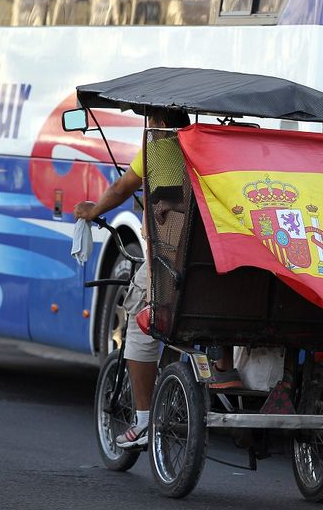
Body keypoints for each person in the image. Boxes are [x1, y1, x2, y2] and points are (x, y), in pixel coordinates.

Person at [74, 108, 240, 449]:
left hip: (172, 261)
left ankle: (145, 419)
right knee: (226, 296)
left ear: (160, 124)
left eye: (149, 120)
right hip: (223, 261)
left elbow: (122, 187)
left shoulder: (161, 148)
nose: (148, 126)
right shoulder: (220, 150)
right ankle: (225, 363)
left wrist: (92, 212)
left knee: (138, 326)